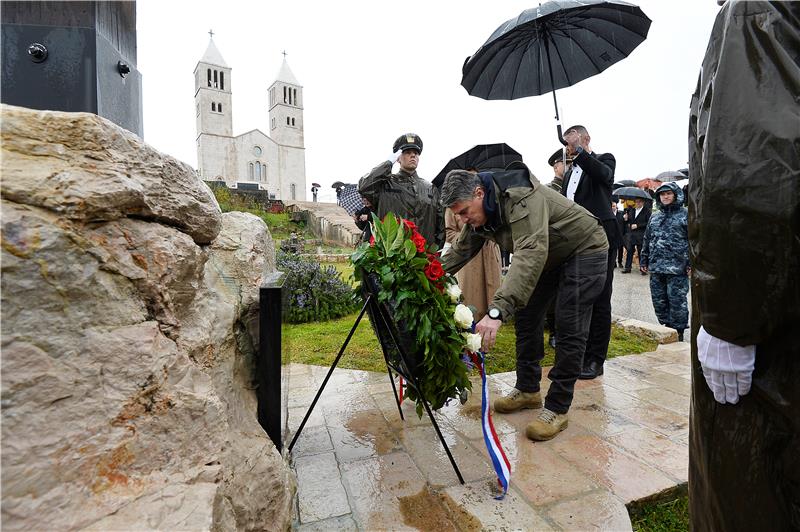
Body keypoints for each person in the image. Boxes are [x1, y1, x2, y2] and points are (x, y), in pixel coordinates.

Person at [688, 2, 799, 530]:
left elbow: (753, 166)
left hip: (769, 321)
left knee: (755, 481)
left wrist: (730, 322)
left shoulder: (756, 9)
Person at [439, 166, 608, 441]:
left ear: (479, 193)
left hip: (584, 248)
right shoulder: (480, 215)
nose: (463, 219)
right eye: (458, 214)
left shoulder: (520, 197)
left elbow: (529, 252)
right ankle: (528, 390)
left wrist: (496, 311)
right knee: (528, 316)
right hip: (549, 255)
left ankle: (557, 408)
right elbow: (460, 250)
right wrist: (426, 274)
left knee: (569, 324)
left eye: (464, 211)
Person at [560, 125, 618, 380]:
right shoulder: (569, 172)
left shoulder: (604, 160)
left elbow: (604, 175)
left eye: (574, 141)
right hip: (575, 240)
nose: (571, 147)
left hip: (602, 236)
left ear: (586, 139)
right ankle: (578, 352)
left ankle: (596, 359)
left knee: (600, 298)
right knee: (578, 297)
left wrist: (581, 151)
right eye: (568, 143)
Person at [358, 133, 443, 247]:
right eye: (407, 152)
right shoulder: (386, 184)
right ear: (398, 158)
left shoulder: (430, 188)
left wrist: (435, 249)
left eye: (416, 153)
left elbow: (440, 224)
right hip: (393, 256)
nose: (413, 155)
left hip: (424, 257)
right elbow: (364, 186)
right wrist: (388, 163)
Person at [639, 182, 690, 341]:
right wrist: (644, 259)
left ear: (675, 195)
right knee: (659, 302)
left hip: (677, 268)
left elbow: (694, 241)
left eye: (668, 193)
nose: (665, 196)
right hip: (656, 267)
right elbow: (647, 239)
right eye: (662, 194)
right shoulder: (655, 217)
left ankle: (678, 333)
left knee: (677, 303)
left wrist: (691, 263)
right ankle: (667, 330)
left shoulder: (685, 215)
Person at [444, 205, 501, 321]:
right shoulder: (453, 206)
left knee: (493, 297)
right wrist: (472, 236)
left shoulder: (485, 201)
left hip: (490, 255)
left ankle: (491, 324)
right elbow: (450, 234)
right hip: (470, 260)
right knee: (471, 300)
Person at [622, 197, 650, 274]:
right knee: (629, 251)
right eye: (636, 202)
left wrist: (638, 225)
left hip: (641, 235)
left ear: (643, 202)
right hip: (632, 235)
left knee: (641, 252)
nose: (637, 203)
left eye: (639, 202)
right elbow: (629, 222)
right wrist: (626, 219)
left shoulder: (647, 211)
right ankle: (627, 268)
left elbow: (648, 223)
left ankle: (642, 268)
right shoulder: (632, 210)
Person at [612, 201, 626, 268]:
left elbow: (625, 223)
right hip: (612, 234)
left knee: (620, 249)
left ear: (616, 207)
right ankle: (613, 262)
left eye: (614, 206)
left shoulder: (621, 213)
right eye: (612, 206)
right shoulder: (610, 214)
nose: (613, 208)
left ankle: (620, 262)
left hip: (620, 234)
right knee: (613, 249)